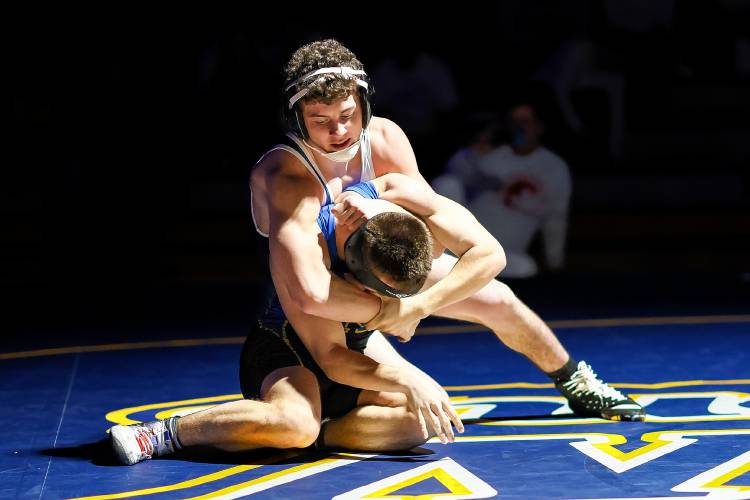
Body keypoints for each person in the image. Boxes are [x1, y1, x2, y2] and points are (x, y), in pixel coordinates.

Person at [111, 38, 644, 465]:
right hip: (318, 298)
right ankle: (216, 430)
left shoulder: (383, 140)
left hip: (376, 275)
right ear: (296, 117)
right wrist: (387, 319)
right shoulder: (289, 179)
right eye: (322, 120)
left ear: (363, 104)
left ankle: (573, 378)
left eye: (348, 114)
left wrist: (409, 302)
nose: (340, 132)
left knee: (495, 299)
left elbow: (430, 238)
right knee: (344, 394)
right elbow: (313, 296)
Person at [110, 172, 501, 465]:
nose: (386, 300)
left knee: (424, 418)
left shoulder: (401, 193)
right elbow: (331, 357)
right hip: (287, 346)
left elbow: (490, 254)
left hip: (351, 344)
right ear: (354, 262)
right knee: (294, 424)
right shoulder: (311, 251)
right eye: (382, 290)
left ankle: (319, 433)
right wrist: (405, 376)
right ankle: (166, 433)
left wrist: (420, 305)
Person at [468, 103, 573, 278]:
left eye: (525, 121)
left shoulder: (555, 167)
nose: (519, 127)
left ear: (539, 127)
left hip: (502, 258)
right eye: (514, 122)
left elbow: (556, 219)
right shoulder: (490, 158)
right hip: (467, 248)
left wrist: (556, 264)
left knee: (526, 267)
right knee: (447, 183)